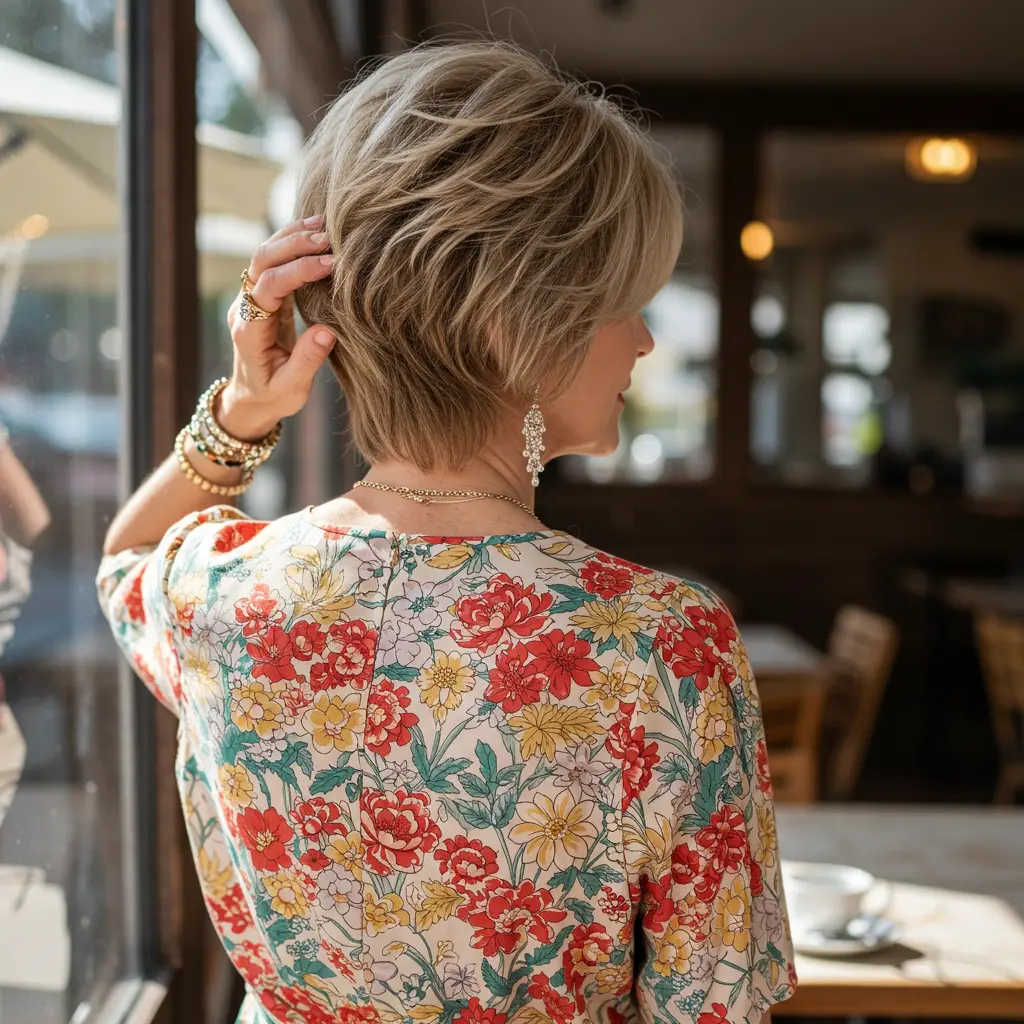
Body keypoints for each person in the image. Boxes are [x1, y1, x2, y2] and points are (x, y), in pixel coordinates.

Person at [97, 41, 795, 1024]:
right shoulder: (664, 644)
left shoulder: (220, 590)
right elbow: (710, 1005)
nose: (645, 339)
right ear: (522, 323)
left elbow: (124, 556)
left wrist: (246, 411)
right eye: (622, 302)